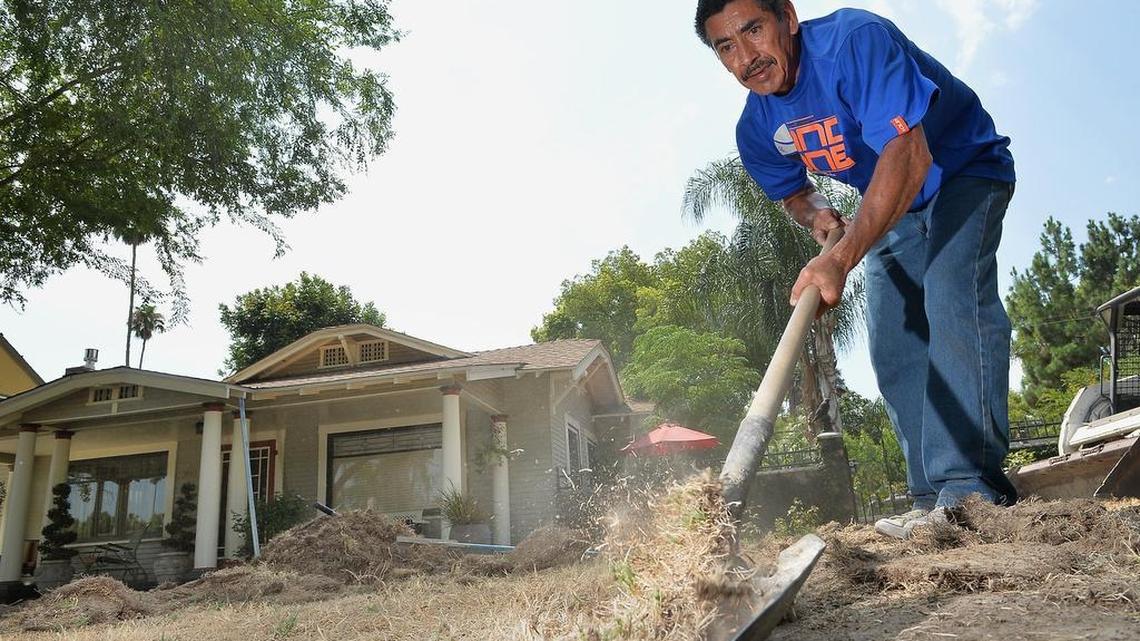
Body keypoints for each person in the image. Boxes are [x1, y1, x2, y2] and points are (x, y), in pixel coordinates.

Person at [695, 0, 1018, 539]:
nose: (746, 56)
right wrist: (817, 216)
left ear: (788, 18)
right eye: (726, 46)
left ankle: (970, 494)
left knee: (951, 296)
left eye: (753, 30)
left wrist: (840, 258)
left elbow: (908, 153)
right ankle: (929, 503)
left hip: (961, 170)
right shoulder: (756, 127)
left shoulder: (853, 40)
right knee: (893, 347)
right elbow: (792, 192)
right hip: (894, 208)